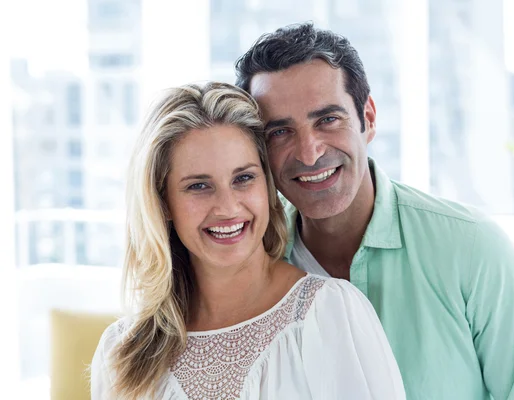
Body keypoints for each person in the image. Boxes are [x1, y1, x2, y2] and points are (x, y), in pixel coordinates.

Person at [235, 22, 514, 400]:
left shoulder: (472, 248)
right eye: (279, 132)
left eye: (327, 120)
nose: (309, 152)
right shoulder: (254, 262)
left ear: (369, 118)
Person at [90, 82, 405, 399]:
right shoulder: (121, 352)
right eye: (199, 186)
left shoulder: (329, 314)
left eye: (243, 178)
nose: (227, 208)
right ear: (163, 202)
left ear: (266, 187)